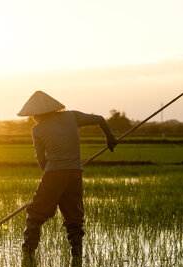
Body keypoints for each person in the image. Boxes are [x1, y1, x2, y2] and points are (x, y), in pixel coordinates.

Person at [18, 90, 117, 258]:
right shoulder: (72, 117)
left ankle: (27, 254)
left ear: (37, 114)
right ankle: (77, 255)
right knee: (74, 218)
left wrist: (51, 181)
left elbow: (41, 159)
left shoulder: (38, 129)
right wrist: (110, 138)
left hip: (54, 174)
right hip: (75, 173)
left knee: (35, 214)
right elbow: (100, 119)